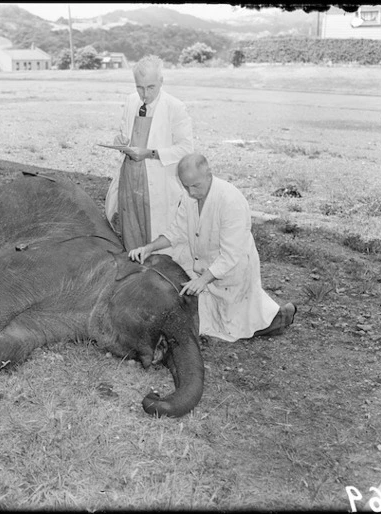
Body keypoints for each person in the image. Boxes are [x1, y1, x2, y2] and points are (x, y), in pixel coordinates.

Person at [128, 153, 297, 342]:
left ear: (209, 175)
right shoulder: (189, 196)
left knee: (242, 325)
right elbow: (176, 231)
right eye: (186, 186)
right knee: (207, 321)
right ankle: (273, 313)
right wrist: (149, 248)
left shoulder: (230, 201)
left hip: (232, 271)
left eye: (196, 186)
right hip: (206, 271)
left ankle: (283, 317)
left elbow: (231, 254)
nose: (191, 192)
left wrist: (203, 280)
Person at [104, 55, 194, 261]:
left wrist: (151, 153)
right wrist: (121, 140)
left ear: (161, 82)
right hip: (131, 178)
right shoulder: (131, 101)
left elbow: (186, 148)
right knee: (131, 230)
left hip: (158, 182)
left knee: (156, 236)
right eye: (140, 87)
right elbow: (127, 134)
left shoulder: (175, 107)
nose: (145, 94)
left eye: (151, 87)